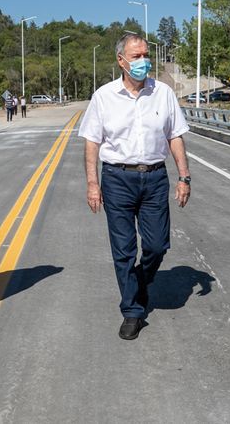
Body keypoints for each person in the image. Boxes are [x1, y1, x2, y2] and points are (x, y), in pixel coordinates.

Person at [79, 33, 191, 340]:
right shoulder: (104, 96)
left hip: (154, 177)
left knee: (157, 245)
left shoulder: (163, 93)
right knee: (124, 249)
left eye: (145, 55)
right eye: (136, 56)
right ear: (121, 61)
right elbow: (92, 142)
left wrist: (184, 176)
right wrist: (92, 184)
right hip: (117, 179)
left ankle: (138, 281)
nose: (143, 61)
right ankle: (132, 310)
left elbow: (175, 135)